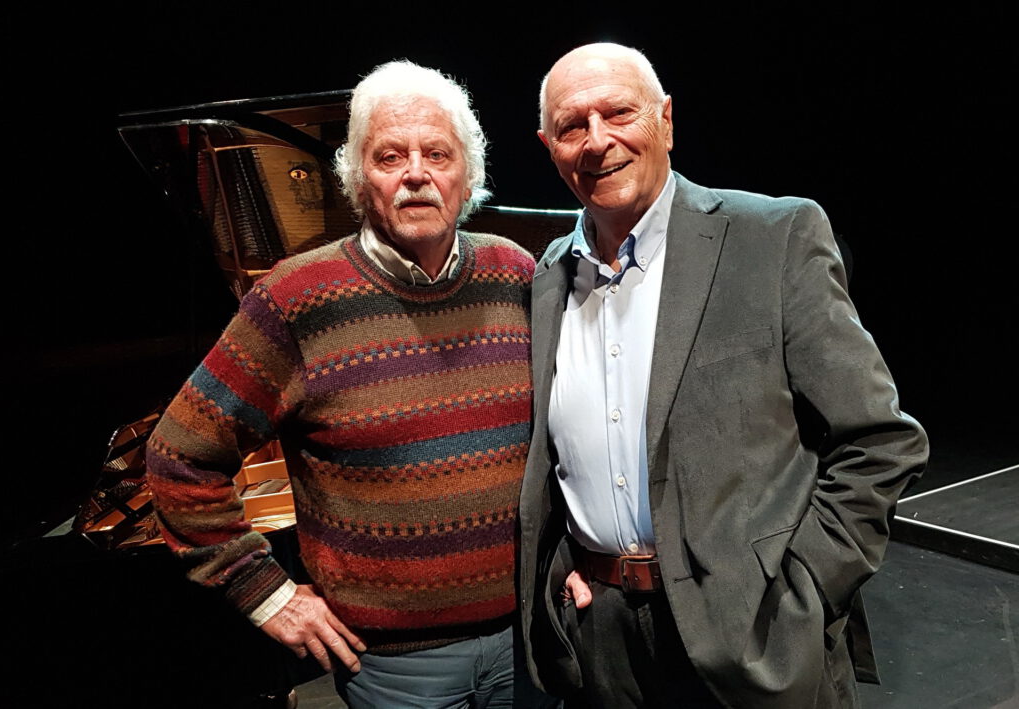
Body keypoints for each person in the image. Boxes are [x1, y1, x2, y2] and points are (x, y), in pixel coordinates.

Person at [518, 43, 929, 708]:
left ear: (667, 120)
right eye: (572, 125)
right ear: (549, 146)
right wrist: (565, 574)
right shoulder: (546, 279)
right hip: (602, 643)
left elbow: (882, 439)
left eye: (620, 112)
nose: (598, 141)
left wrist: (804, 589)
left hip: (752, 639)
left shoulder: (772, 237)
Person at [147, 60, 535, 708]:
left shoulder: (515, 272)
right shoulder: (296, 298)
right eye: (389, 156)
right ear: (357, 178)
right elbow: (177, 457)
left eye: (437, 154)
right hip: (396, 671)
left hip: (528, 646)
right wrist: (266, 593)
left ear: (468, 174)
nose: (416, 173)